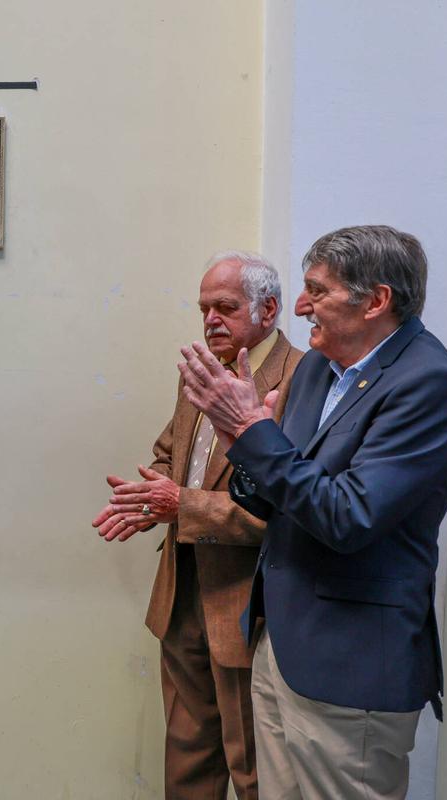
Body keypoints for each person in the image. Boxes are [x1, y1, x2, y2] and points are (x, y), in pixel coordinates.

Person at [179, 225, 447, 799]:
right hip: (281, 647)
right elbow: (274, 494)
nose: (302, 306)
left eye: (318, 290)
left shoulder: (428, 382)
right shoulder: (318, 366)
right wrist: (239, 440)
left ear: (376, 301)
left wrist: (251, 432)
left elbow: (348, 517)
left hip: (350, 661)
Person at [93, 252, 302, 799]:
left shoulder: (301, 380)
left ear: (269, 309)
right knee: (187, 765)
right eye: (204, 307)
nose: (211, 319)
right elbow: (170, 456)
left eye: (225, 307)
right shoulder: (203, 372)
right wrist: (145, 500)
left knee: (253, 769)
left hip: (247, 608)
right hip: (182, 594)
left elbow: (284, 509)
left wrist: (179, 504)